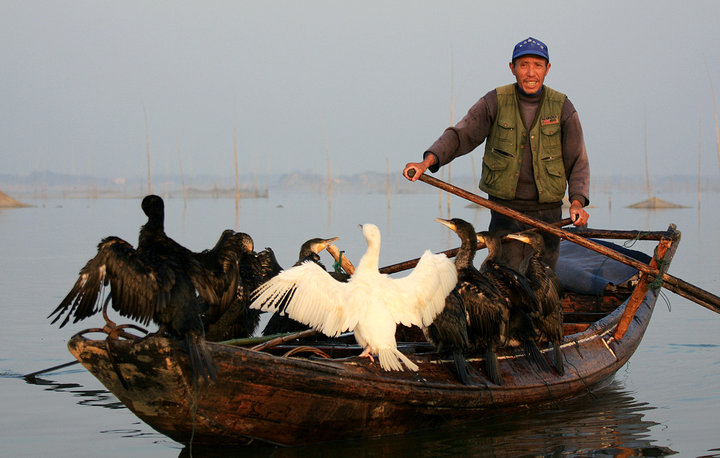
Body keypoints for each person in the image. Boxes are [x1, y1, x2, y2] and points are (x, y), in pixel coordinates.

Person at [403, 37, 590, 269]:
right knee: (504, 277)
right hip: (505, 212)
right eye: (523, 65)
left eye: (537, 65)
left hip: (548, 215)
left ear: (547, 69)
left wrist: (577, 202)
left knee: (544, 281)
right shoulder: (495, 101)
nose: (531, 73)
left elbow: (578, 161)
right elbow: (460, 135)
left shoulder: (562, 107)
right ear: (512, 68)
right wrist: (426, 162)